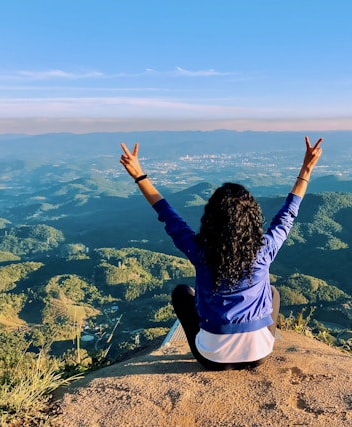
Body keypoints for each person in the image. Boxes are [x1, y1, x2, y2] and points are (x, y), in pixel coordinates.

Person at [119, 136, 323, 370]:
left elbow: (167, 213)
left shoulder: (200, 252)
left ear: (211, 220)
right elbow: (287, 214)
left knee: (182, 293)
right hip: (259, 355)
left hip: (211, 359)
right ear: (252, 220)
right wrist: (306, 169)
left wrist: (139, 176)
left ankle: (208, 337)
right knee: (273, 292)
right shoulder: (264, 250)